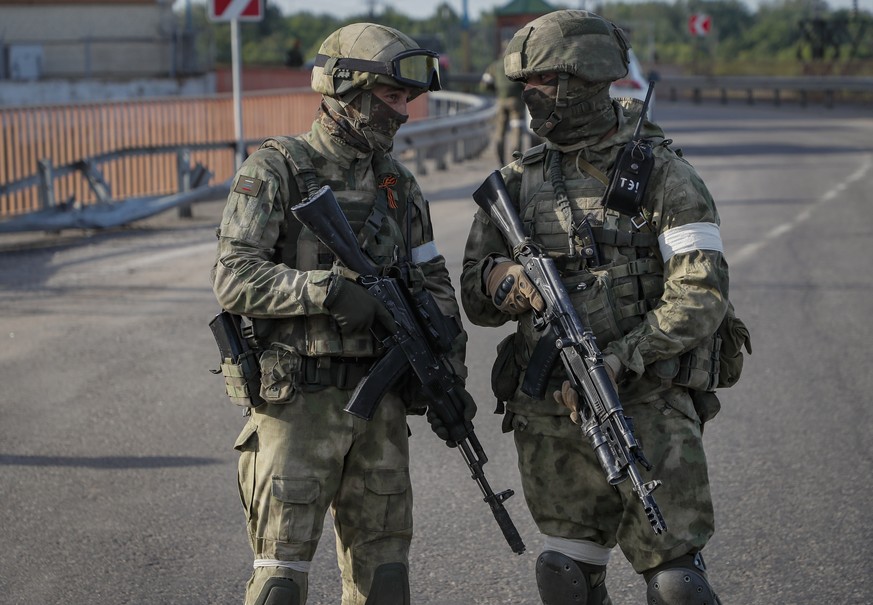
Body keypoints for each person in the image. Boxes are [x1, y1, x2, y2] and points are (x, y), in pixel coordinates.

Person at [461, 10, 749, 605]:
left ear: (582, 82)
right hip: (550, 410)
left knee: (676, 582)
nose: (529, 97)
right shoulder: (518, 181)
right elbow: (474, 294)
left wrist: (623, 358)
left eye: (541, 83)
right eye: (526, 84)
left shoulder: (664, 175)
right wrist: (508, 282)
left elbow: (702, 292)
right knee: (565, 574)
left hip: (646, 401)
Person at [211, 23, 473, 605]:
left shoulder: (399, 187)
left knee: (386, 586)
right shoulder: (276, 170)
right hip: (297, 403)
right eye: (392, 97)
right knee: (279, 584)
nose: (402, 113)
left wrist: (446, 370)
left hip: (380, 409)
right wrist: (324, 292)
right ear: (347, 91)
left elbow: (434, 284)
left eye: (407, 99)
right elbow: (233, 276)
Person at [480, 43, 526, 165]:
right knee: (516, 131)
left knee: (500, 133)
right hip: (515, 103)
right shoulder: (517, 64)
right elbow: (526, 83)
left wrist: (496, 90)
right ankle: (515, 162)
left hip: (501, 102)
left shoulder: (495, 66)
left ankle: (501, 162)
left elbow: (485, 84)